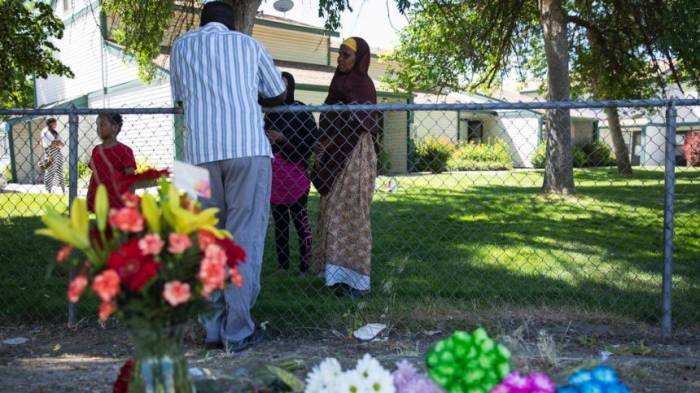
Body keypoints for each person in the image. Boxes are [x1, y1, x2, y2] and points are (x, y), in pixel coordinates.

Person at [169, 1, 286, 352]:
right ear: (232, 23)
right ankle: (238, 331)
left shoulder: (181, 47)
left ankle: (212, 330)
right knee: (243, 239)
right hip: (247, 149)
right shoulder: (248, 45)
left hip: (196, 156)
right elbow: (278, 93)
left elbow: (179, 99)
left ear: (202, 22)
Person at [311, 37, 379, 298]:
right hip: (333, 153)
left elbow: (358, 122)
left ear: (359, 58)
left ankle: (357, 281)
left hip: (355, 155)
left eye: (346, 55)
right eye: (339, 54)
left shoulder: (363, 85)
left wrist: (334, 129)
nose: (340, 59)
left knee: (350, 212)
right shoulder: (337, 83)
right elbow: (331, 117)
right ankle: (337, 277)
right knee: (330, 212)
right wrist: (325, 142)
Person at [264, 72, 317, 273]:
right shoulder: (269, 113)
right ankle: (283, 266)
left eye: (284, 86)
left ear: (291, 88)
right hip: (276, 180)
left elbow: (311, 140)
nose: (280, 90)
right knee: (280, 226)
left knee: (301, 224)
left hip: (297, 178)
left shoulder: (300, 110)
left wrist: (283, 139)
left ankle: (305, 266)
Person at [86, 112, 136, 212]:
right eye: (97, 125)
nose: (98, 128)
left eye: (102, 124)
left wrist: (130, 200)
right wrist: (89, 196)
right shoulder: (96, 150)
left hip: (117, 199)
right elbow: (94, 175)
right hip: (98, 198)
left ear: (114, 127)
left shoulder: (125, 150)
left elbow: (130, 179)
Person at [41, 118, 65, 194]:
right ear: (51, 123)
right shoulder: (45, 131)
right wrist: (56, 142)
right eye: (55, 123)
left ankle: (62, 189)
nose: (56, 125)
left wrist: (56, 142)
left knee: (60, 171)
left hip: (57, 153)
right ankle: (48, 189)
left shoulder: (55, 132)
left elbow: (61, 143)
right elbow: (50, 143)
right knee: (50, 171)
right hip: (50, 153)